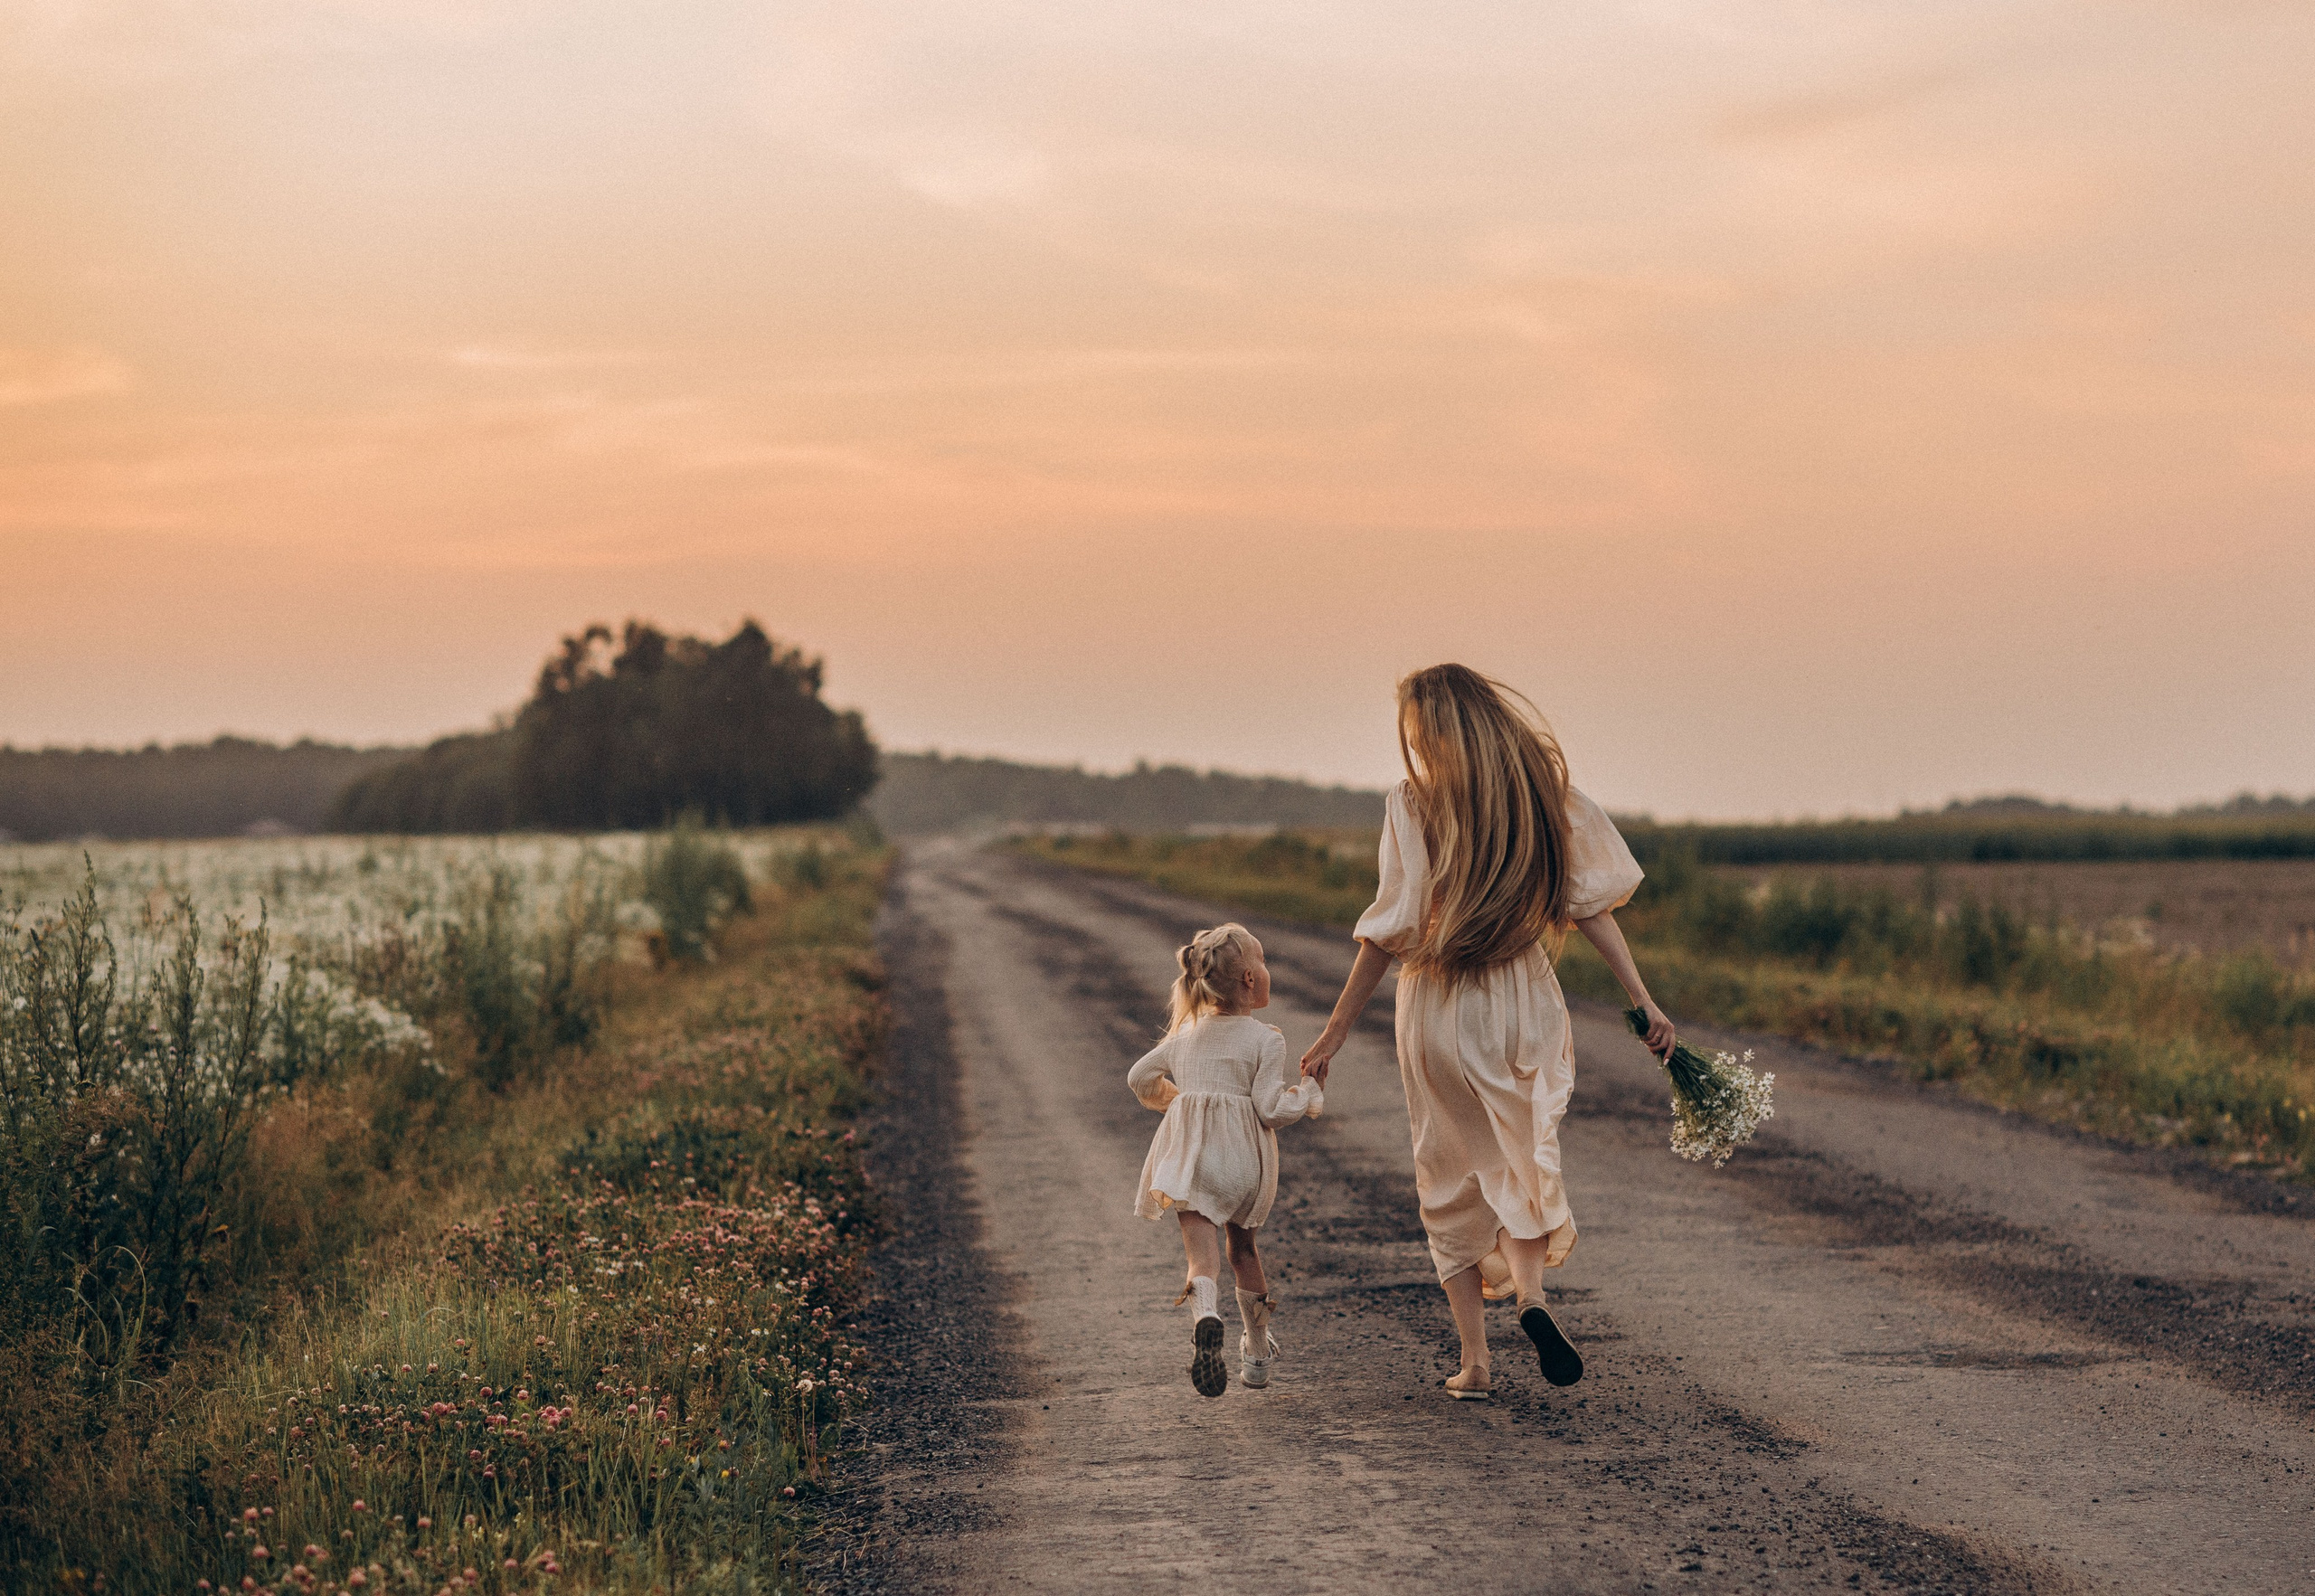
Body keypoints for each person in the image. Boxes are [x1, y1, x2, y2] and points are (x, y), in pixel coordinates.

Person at [1299, 665, 1675, 1401]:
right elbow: (1591, 907)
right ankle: (1531, 1296)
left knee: (1447, 1173)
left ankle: (1475, 1362)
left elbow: (1390, 931)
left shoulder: (1413, 802)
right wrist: (1644, 1001)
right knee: (1521, 1157)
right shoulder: (1543, 794)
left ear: (1429, 731)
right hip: (1518, 994)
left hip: (1437, 1002)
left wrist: (1334, 1033)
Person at [1129, 923, 1324, 1397]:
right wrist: (1312, 1092)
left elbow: (1138, 1076)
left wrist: (1175, 1100)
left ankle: (1207, 1316)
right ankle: (1256, 1355)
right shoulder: (1266, 1039)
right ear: (1251, 981)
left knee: (1202, 1258)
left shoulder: (1186, 1036)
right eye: (1264, 961)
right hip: (1243, 1165)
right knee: (1243, 1251)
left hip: (1194, 1161)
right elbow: (1271, 1110)